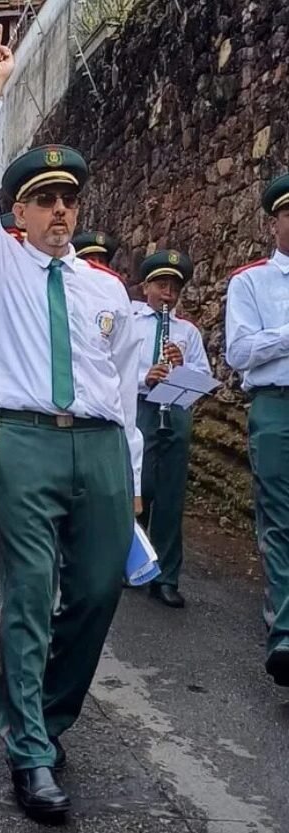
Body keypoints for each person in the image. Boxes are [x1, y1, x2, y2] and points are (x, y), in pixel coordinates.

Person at [0, 25, 143, 820]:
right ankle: (29, 748)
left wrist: (129, 476)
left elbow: (125, 386)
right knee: (30, 594)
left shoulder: (105, 288)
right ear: (20, 210)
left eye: (70, 199)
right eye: (44, 198)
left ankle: (50, 714)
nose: (60, 210)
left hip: (99, 447)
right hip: (25, 440)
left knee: (97, 592)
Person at [225, 172, 289, 688]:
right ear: (274, 223)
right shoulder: (249, 283)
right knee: (280, 517)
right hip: (276, 406)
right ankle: (286, 632)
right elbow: (241, 352)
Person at [134, 250, 210, 608]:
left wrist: (180, 367)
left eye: (174, 288)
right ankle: (133, 562)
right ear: (146, 286)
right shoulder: (131, 322)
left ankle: (166, 577)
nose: (167, 294)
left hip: (175, 410)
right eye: (161, 285)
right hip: (140, 408)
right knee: (138, 488)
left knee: (170, 496)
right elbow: (112, 369)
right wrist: (143, 375)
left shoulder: (187, 332)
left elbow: (204, 376)